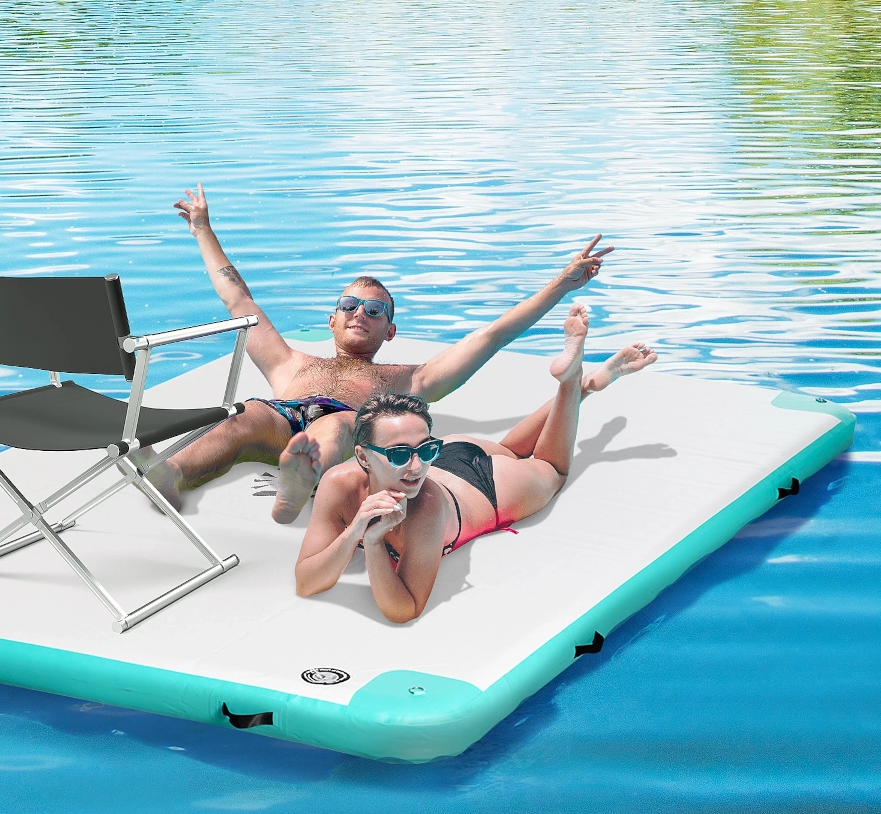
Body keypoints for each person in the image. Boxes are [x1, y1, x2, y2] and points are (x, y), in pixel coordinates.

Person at [136, 183, 615, 524]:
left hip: (342, 428)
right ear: (331, 319)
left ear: (390, 331)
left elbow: (491, 336)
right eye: (348, 305)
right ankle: (172, 476)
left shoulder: (408, 380)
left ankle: (301, 482)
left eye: (374, 310)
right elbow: (238, 299)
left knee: (339, 424)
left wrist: (561, 284)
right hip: (281, 418)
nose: (358, 314)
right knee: (247, 413)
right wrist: (202, 229)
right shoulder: (289, 362)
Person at [295, 306, 657, 622]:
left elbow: (404, 609)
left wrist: (373, 543)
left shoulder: (425, 505)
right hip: (456, 454)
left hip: (486, 487)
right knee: (509, 448)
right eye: (400, 454)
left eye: (425, 448)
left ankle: (572, 382)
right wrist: (356, 532)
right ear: (362, 457)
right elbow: (306, 581)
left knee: (553, 469)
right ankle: (586, 384)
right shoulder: (338, 484)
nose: (416, 466)